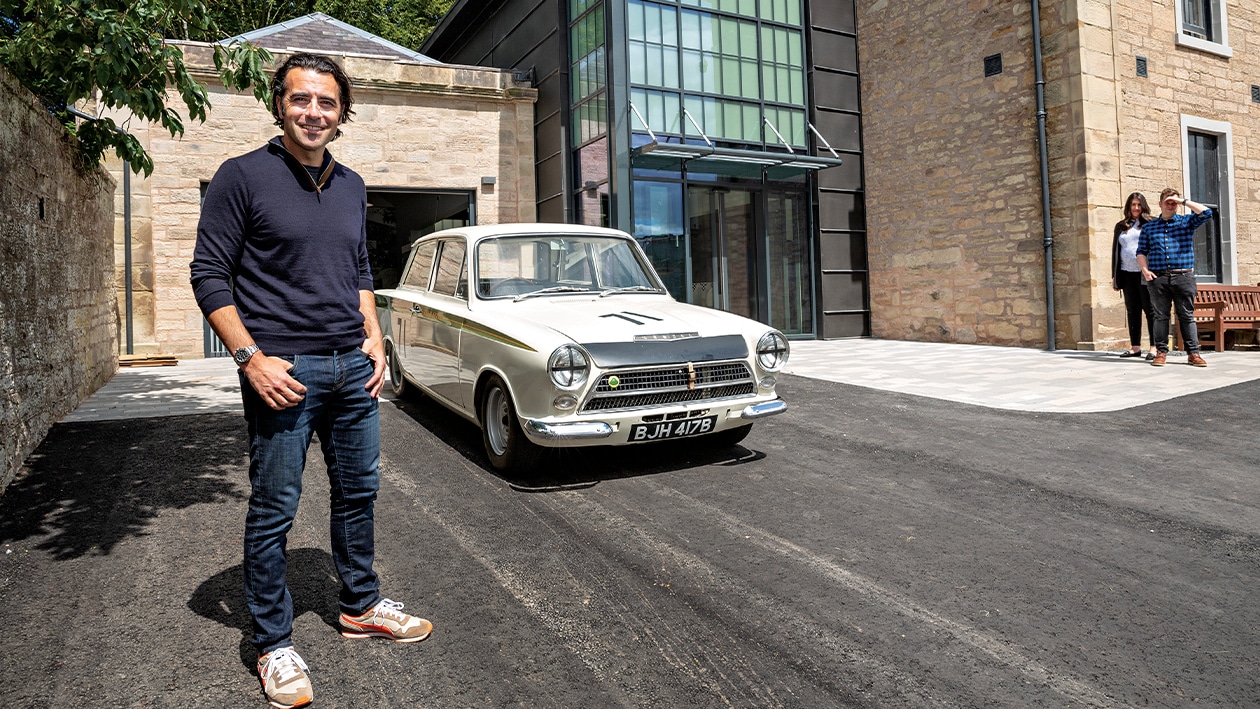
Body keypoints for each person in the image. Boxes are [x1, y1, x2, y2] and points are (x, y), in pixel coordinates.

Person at [191, 53, 431, 709]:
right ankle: (272, 644)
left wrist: (375, 334)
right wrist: (251, 358)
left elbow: (358, 269)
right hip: (284, 370)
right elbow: (209, 277)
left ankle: (359, 604)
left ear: (341, 111)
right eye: (302, 99)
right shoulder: (242, 179)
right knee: (274, 509)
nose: (314, 112)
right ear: (280, 103)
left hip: (352, 368)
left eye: (327, 102)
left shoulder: (352, 184)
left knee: (360, 491)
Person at [1136, 187, 1212, 368]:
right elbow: (1141, 252)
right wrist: (1145, 271)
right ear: (1160, 204)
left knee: (1186, 316)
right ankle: (1161, 353)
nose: (1171, 206)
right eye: (1168, 202)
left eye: (1174, 203)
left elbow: (1207, 213)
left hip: (1183, 276)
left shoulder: (1186, 222)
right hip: (1158, 278)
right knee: (1160, 316)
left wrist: (1183, 202)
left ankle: (1193, 353)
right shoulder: (1149, 227)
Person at [1111, 192, 1156, 359]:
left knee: (1150, 311)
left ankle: (1154, 347)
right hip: (1126, 273)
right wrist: (1115, 275)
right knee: (1132, 311)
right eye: (1133, 204)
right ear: (1129, 207)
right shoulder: (1121, 226)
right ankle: (1135, 347)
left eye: (1139, 204)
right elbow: (1116, 252)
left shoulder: (1150, 224)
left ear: (1143, 206)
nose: (1136, 208)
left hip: (1145, 273)